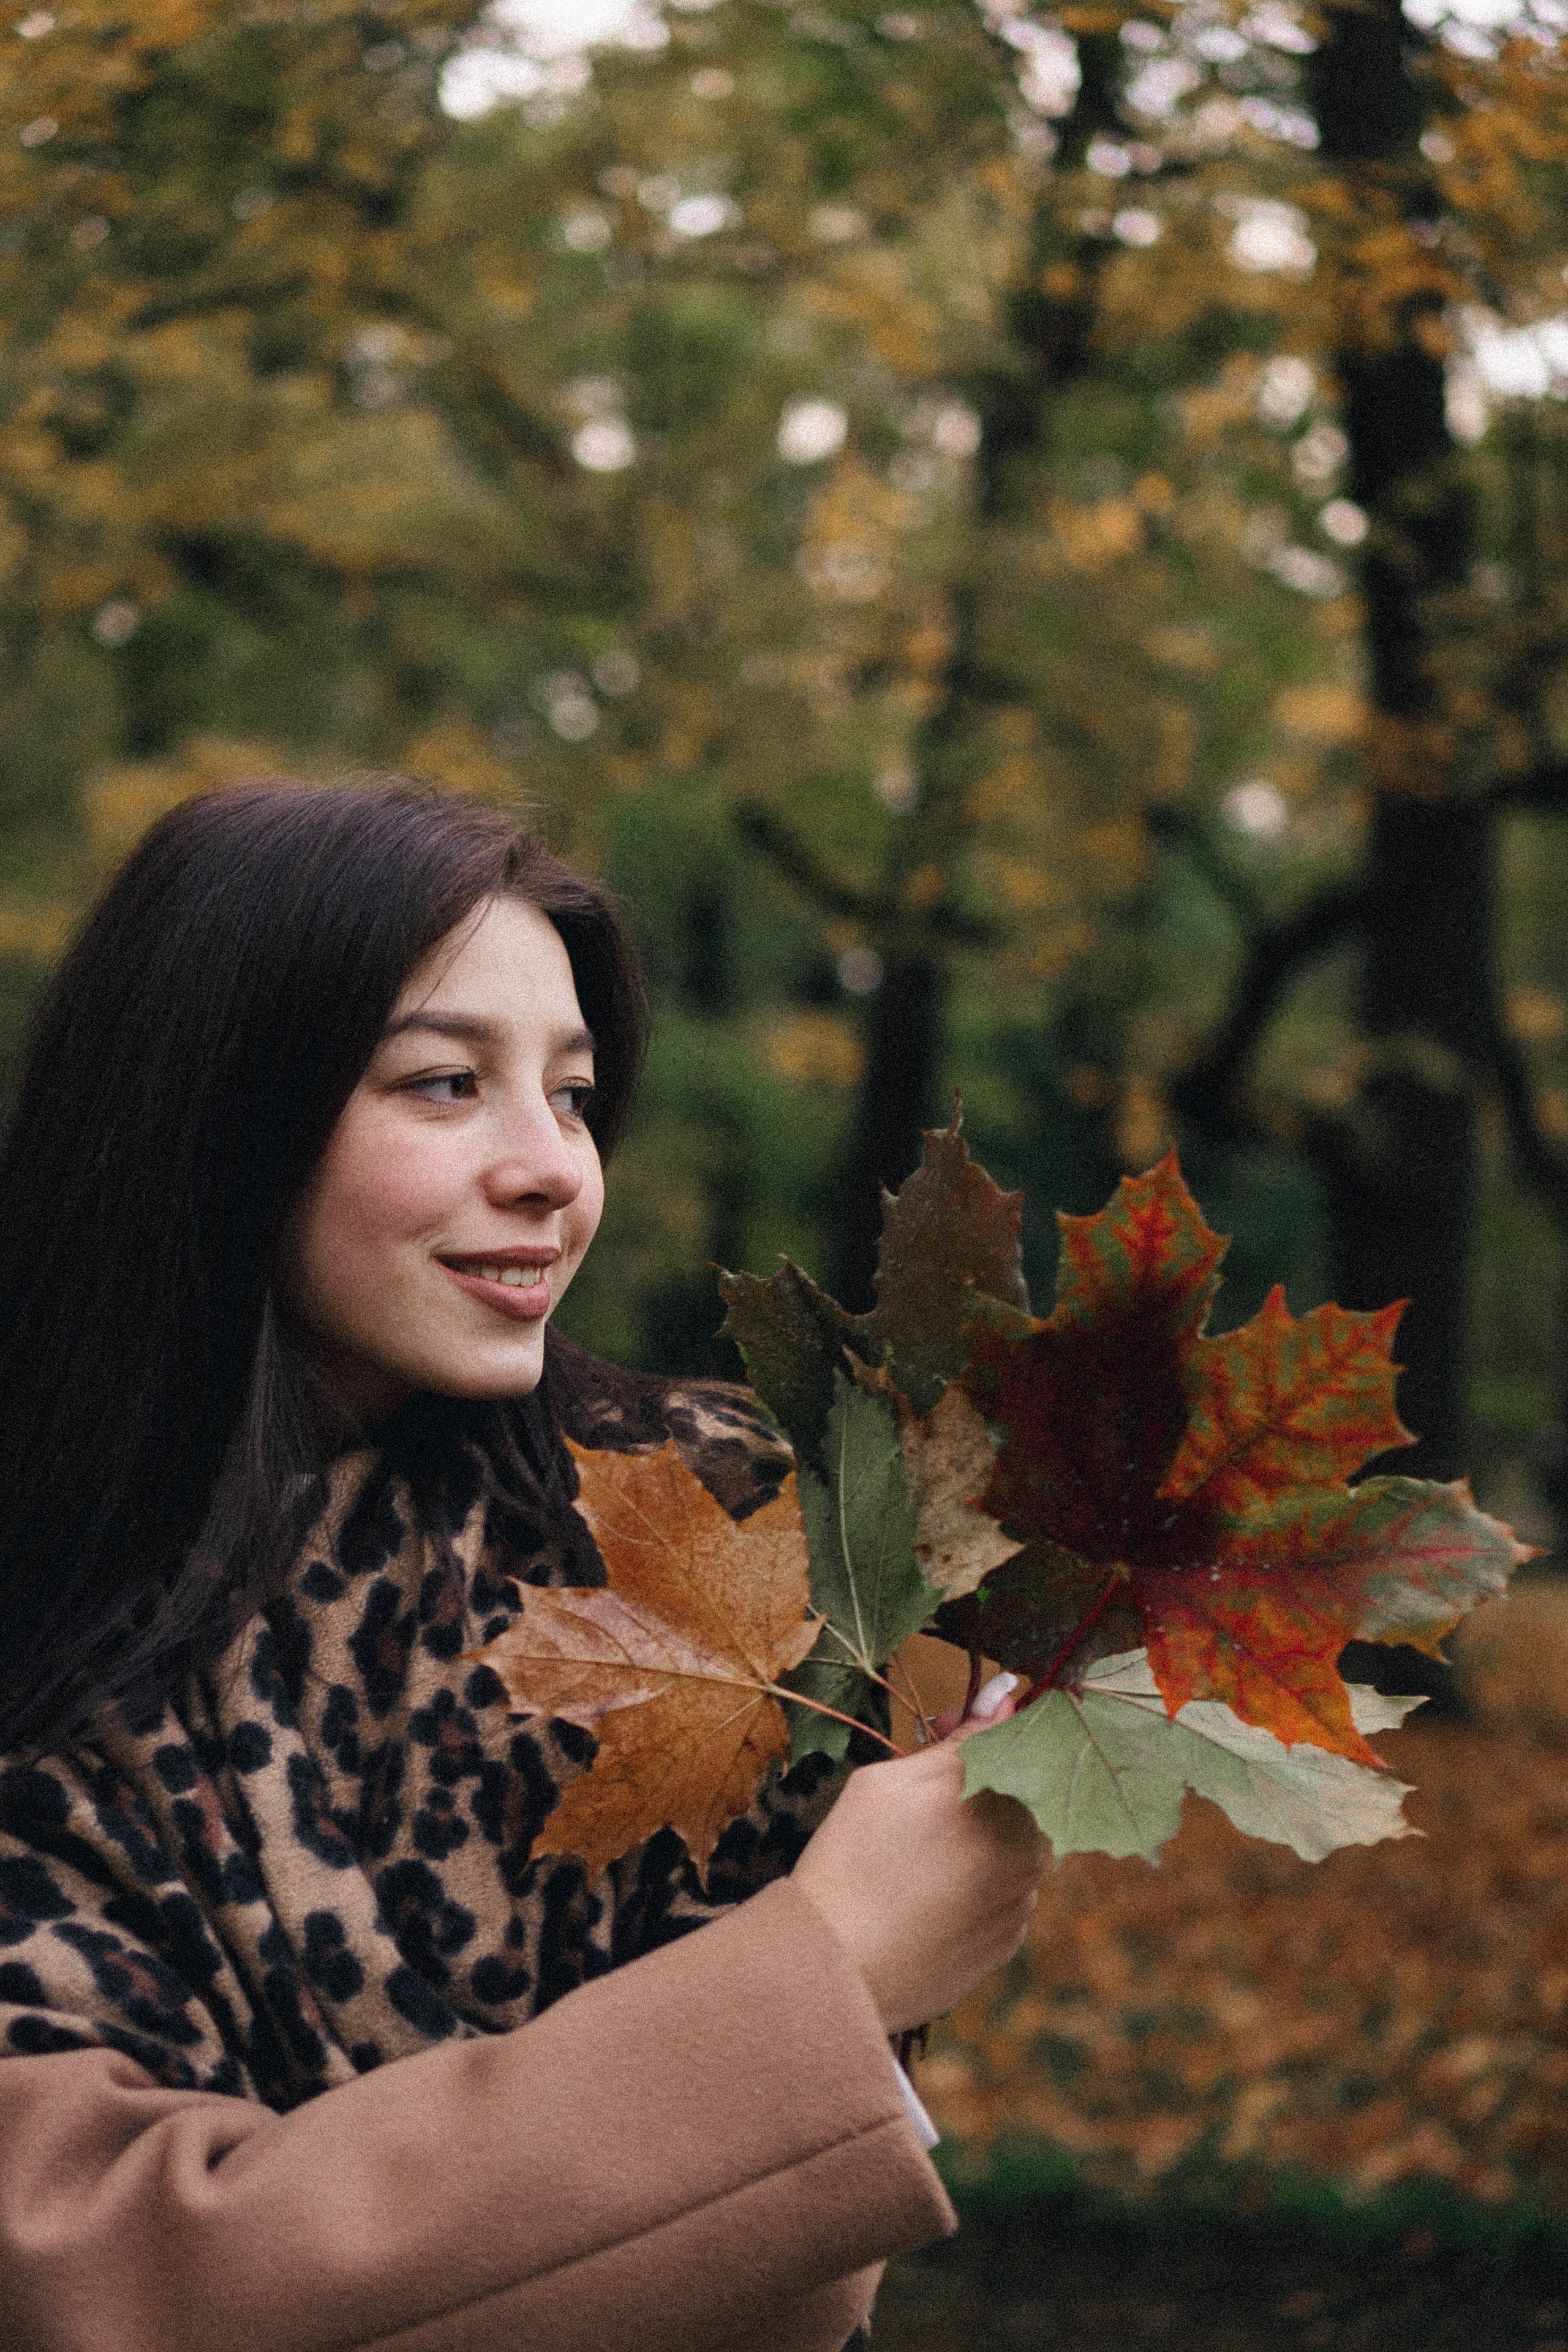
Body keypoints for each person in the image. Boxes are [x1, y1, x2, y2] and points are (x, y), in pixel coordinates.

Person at [0, 780, 1044, 2352]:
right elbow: (101, 2278)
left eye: (569, 1092)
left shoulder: (710, 1530)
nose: (553, 1168)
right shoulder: (47, 1609)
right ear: (219, 1111)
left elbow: (786, 2284)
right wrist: (822, 1975)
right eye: (442, 1085)